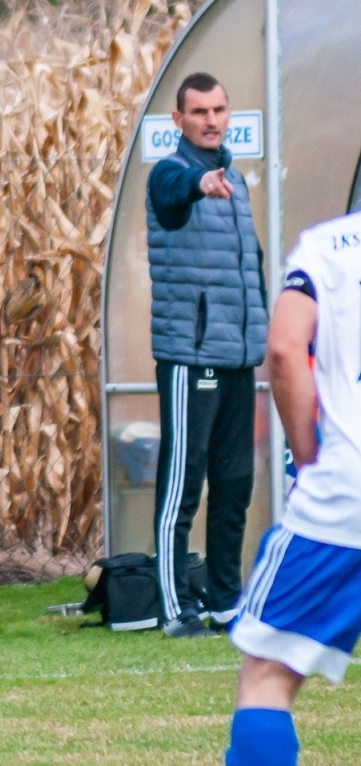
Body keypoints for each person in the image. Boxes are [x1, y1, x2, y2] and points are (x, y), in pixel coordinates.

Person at [223, 212, 361, 766]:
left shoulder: (330, 247)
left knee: (269, 676)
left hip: (347, 496)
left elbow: (283, 350)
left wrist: (309, 455)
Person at [145, 72, 267, 638]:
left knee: (235, 483)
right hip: (191, 357)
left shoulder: (236, 182)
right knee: (182, 485)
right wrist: (199, 186)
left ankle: (224, 604)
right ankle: (177, 611)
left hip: (239, 357)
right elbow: (173, 194)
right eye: (199, 112)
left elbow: (251, 270)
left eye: (219, 109)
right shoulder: (172, 173)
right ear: (179, 120)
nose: (211, 120)